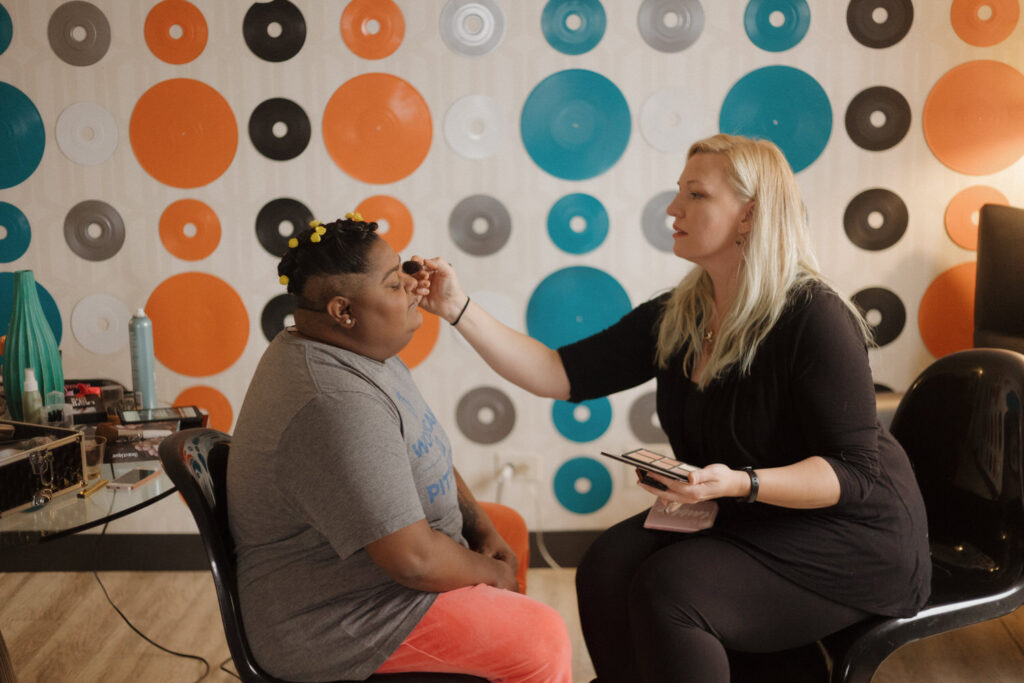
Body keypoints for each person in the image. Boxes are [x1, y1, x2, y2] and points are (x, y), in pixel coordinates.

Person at [413, 134, 931, 683]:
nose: (672, 208)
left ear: (749, 217)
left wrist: (737, 483)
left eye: (696, 195)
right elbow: (559, 373)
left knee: (673, 590)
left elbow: (851, 473)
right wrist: (456, 308)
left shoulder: (814, 317)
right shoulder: (682, 311)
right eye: (678, 191)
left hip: (850, 534)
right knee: (605, 566)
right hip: (747, 511)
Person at [227, 215, 572, 682]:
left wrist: (482, 529)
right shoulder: (335, 401)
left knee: (507, 529)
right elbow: (413, 560)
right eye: (395, 283)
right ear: (343, 311)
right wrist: (490, 575)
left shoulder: (355, 352)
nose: (414, 286)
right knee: (539, 638)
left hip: (375, 579)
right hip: (339, 621)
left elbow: (424, 450)